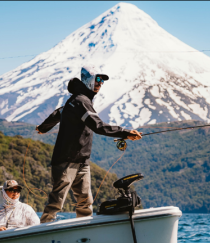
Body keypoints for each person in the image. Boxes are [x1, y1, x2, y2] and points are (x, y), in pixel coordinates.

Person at [35, 65, 143, 223]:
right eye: (98, 79)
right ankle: (43, 232)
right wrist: (124, 132)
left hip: (82, 161)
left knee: (85, 202)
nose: (100, 83)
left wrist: (43, 128)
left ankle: (84, 233)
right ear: (88, 80)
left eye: (102, 81)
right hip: (65, 160)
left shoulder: (77, 101)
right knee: (56, 202)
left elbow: (59, 112)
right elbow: (97, 125)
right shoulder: (81, 101)